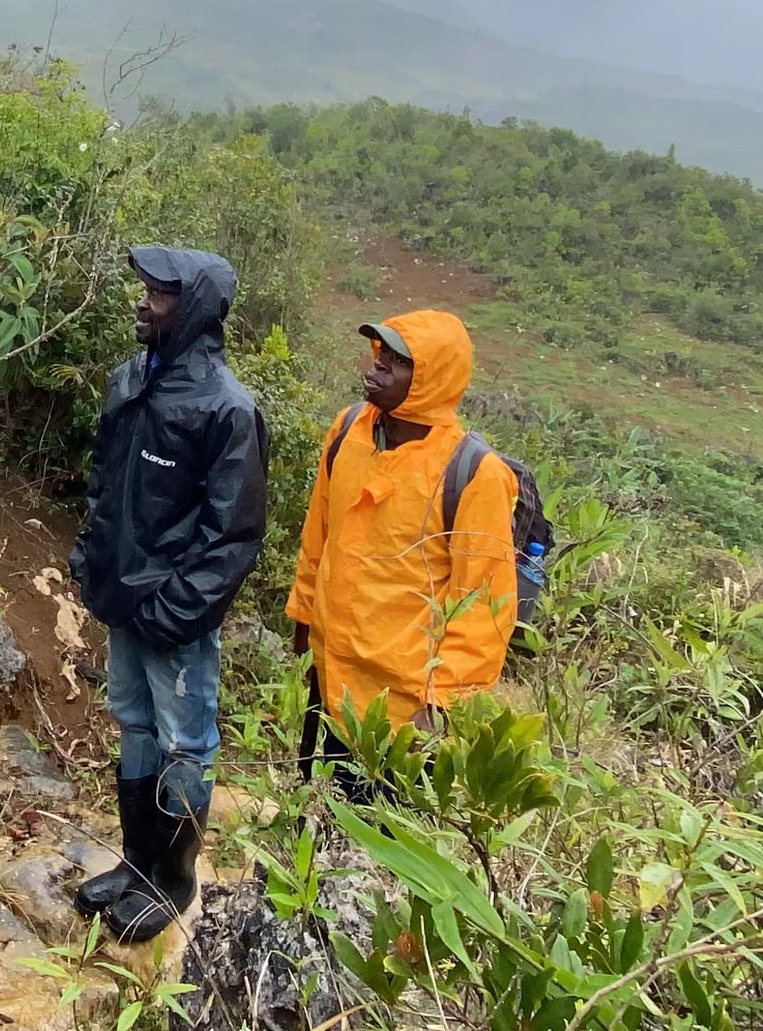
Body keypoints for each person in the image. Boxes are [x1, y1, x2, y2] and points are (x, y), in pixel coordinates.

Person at [69, 246, 269, 943]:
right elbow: (104, 481)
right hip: (125, 598)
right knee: (135, 724)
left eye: (160, 293)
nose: (143, 301)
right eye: (144, 289)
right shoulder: (131, 379)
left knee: (186, 742)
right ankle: (137, 863)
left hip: (174, 616)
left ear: (197, 309)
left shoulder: (226, 408)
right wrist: (89, 556)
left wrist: (173, 610)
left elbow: (233, 536)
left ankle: (173, 880)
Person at [287, 311, 520, 783]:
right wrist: (306, 619)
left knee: (379, 843)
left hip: (405, 712)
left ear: (433, 379)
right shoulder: (348, 431)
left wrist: (441, 704)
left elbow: (484, 607)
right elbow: (319, 535)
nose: (376, 369)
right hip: (335, 684)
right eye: (380, 356)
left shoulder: (474, 474)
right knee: (323, 818)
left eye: (397, 362)